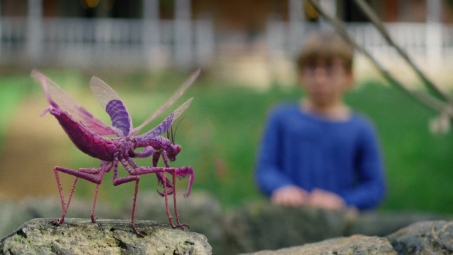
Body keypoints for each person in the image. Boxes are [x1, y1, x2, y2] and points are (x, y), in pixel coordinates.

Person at [255, 32, 386, 211]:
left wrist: (342, 201)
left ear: (349, 77)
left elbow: (374, 187)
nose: (320, 78)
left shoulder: (361, 128)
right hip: (288, 216)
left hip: (340, 229)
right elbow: (265, 169)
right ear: (300, 74)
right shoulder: (281, 118)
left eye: (330, 69)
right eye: (312, 68)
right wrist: (282, 187)